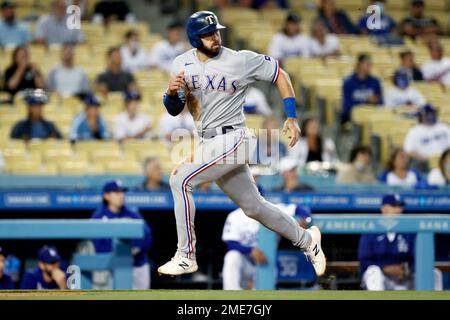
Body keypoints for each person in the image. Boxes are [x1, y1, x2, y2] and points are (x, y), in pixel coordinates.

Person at [157, 11, 325, 277]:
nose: (215, 36)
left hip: (235, 137)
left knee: (180, 179)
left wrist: (291, 117)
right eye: (208, 33)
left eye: (216, 31)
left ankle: (185, 255)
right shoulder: (181, 63)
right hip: (208, 143)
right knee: (254, 207)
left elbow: (280, 75)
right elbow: (174, 109)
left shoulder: (240, 60)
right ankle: (307, 240)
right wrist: (170, 93)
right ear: (194, 38)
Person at [359, 193, 443, 291]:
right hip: (383, 279)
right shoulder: (371, 231)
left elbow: (419, 258)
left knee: (434, 273)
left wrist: (408, 269)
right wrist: (385, 268)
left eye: (400, 206)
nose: (398, 210)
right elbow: (364, 260)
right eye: (394, 206)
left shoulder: (410, 231)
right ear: (384, 209)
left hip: (406, 278)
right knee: (373, 271)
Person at [222, 202, 312, 290]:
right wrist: (251, 250)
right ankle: (230, 293)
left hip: (266, 262)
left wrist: (305, 219)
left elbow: (301, 209)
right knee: (232, 256)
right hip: (245, 263)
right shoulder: (235, 215)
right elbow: (231, 244)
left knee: (260, 295)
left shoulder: (272, 209)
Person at [91, 180, 153, 290]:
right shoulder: (98, 217)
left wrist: (136, 248)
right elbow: (97, 244)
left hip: (137, 266)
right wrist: (120, 252)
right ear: (106, 196)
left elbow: (147, 236)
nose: (121, 196)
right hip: (110, 268)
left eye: (122, 192)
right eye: (116, 192)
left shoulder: (133, 214)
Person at [341, 53, 383, 124]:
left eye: (370, 64)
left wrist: (376, 101)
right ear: (359, 64)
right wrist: (366, 101)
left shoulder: (375, 81)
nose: (369, 66)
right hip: (353, 117)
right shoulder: (348, 82)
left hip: (372, 115)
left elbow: (381, 102)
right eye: (366, 64)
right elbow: (347, 106)